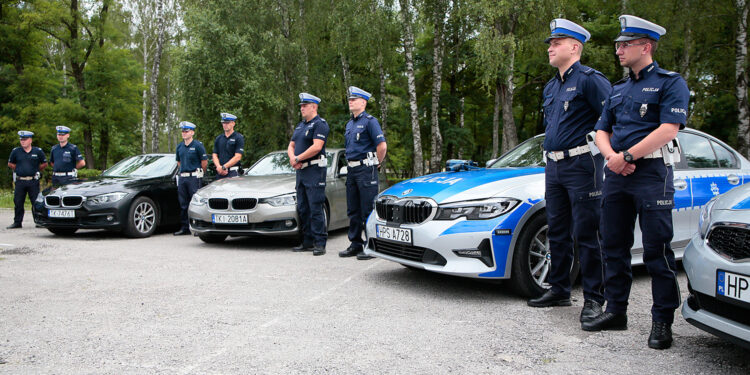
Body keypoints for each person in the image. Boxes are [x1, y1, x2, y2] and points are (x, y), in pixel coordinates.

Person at [583, 15, 689, 351]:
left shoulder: (671, 83)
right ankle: (616, 311)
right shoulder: (618, 89)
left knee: (658, 251)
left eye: (625, 44)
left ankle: (662, 321)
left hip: (651, 176)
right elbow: (601, 130)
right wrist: (614, 158)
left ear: (646, 46)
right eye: (618, 44)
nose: (618, 50)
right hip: (616, 177)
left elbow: (668, 129)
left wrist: (627, 157)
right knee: (613, 247)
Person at [527, 19, 610, 326]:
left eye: (556, 43)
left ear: (575, 47)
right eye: (550, 43)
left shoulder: (591, 80)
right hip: (555, 166)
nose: (550, 48)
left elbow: (612, 119)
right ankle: (559, 288)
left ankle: (594, 299)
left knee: (588, 234)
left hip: (582, 165)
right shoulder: (551, 86)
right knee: (557, 231)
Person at [338, 86, 387, 260]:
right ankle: (355, 243)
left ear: (363, 102)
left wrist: (377, 163)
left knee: (367, 209)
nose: (350, 102)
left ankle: (371, 245)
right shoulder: (350, 123)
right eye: (350, 99)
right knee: (353, 209)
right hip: (352, 170)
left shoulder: (370, 121)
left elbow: (382, 146)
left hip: (366, 170)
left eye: (354, 99)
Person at [289, 93, 330, 256]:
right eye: (301, 105)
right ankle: (307, 241)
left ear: (314, 106)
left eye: (305, 105)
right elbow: (291, 145)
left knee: (315, 207)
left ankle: (320, 243)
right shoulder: (300, 126)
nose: (301, 108)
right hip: (301, 171)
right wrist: (293, 159)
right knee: (303, 208)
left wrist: (298, 158)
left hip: (314, 170)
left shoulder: (320, 124)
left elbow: (317, 147)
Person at [7, 131, 47, 229]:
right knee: (18, 202)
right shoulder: (16, 151)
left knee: (35, 202)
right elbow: (11, 164)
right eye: (21, 140)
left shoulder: (37, 151)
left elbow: (44, 164)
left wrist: (35, 170)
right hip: (20, 181)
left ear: (30, 140)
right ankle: (17, 222)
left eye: (25, 140)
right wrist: (19, 170)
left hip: (33, 180)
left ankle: (38, 221)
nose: (23, 142)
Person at [174, 121, 208, 236]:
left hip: (194, 177)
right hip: (183, 178)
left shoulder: (197, 145)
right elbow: (179, 162)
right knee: (183, 204)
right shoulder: (180, 146)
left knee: (195, 203)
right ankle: (184, 227)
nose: (184, 133)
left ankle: (197, 226)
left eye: (186, 131)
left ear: (192, 132)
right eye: (183, 131)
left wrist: (200, 172)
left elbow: (204, 162)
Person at [213, 112, 244, 179]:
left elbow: (238, 157)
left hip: (232, 172)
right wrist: (218, 167)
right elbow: (214, 154)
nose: (225, 125)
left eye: (227, 123)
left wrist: (224, 167)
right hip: (220, 172)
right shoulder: (219, 138)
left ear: (233, 123)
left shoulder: (238, 137)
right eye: (223, 123)